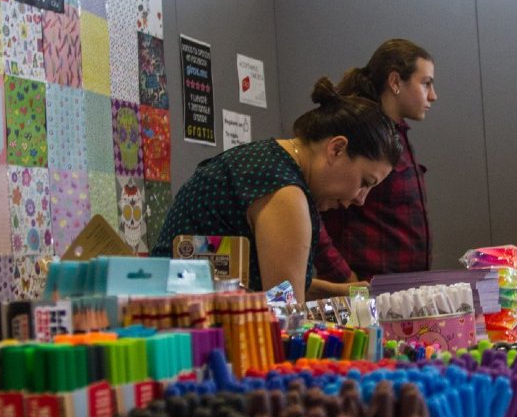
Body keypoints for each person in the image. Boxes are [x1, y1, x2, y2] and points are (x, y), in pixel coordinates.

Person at [151, 78, 402, 305]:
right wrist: (355, 316)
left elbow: (265, 282)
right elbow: (287, 313)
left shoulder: (266, 162)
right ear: (336, 148)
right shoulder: (284, 192)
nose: (360, 199)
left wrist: (342, 292)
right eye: (365, 182)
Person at [315, 39, 437, 282]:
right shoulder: (356, 132)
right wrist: (344, 277)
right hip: (363, 288)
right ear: (395, 82)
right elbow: (315, 214)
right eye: (425, 84)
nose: (433, 95)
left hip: (401, 291)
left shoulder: (398, 133)